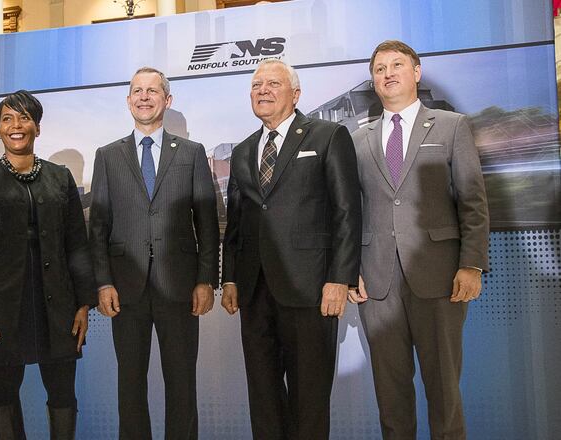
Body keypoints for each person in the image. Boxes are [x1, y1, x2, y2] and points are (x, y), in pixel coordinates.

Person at [348, 40, 489, 440]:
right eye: (379, 68)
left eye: (396, 64)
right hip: (376, 284)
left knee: (444, 392)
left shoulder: (452, 126)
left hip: (440, 279)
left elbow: (473, 201)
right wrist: (349, 271)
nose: (387, 73)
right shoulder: (358, 140)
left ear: (416, 72)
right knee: (390, 396)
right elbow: (350, 212)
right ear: (373, 80)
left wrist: (471, 264)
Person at [221, 59, 361, 439]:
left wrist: (339, 278)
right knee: (263, 398)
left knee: (309, 399)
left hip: (311, 290)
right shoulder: (243, 150)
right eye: (256, 85)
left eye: (272, 84)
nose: (262, 90)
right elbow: (236, 223)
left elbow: (347, 212)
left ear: (295, 94)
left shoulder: (328, 136)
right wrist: (230, 277)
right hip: (254, 292)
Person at [0, 90, 96, 440]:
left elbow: (77, 245)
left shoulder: (60, 177)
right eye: (7, 119)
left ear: (37, 127)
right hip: (0, 309)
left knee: (63, 393)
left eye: (24, 118)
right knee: (3, 393)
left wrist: (83, 304)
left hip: (57, 305)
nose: (16, 126)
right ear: (0, 130)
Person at [89, 67, 219, 440]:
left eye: (152, 91)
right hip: (124, 289)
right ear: (129, 100)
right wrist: (103, 282)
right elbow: (98, 226)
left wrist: (206, 279)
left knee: (182, 383)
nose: (144, 97)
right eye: (137, 91)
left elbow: (207, 222)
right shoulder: (108, 156)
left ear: (167, 100)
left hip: (179, 288)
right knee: (129, 385)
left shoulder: (192, 153)